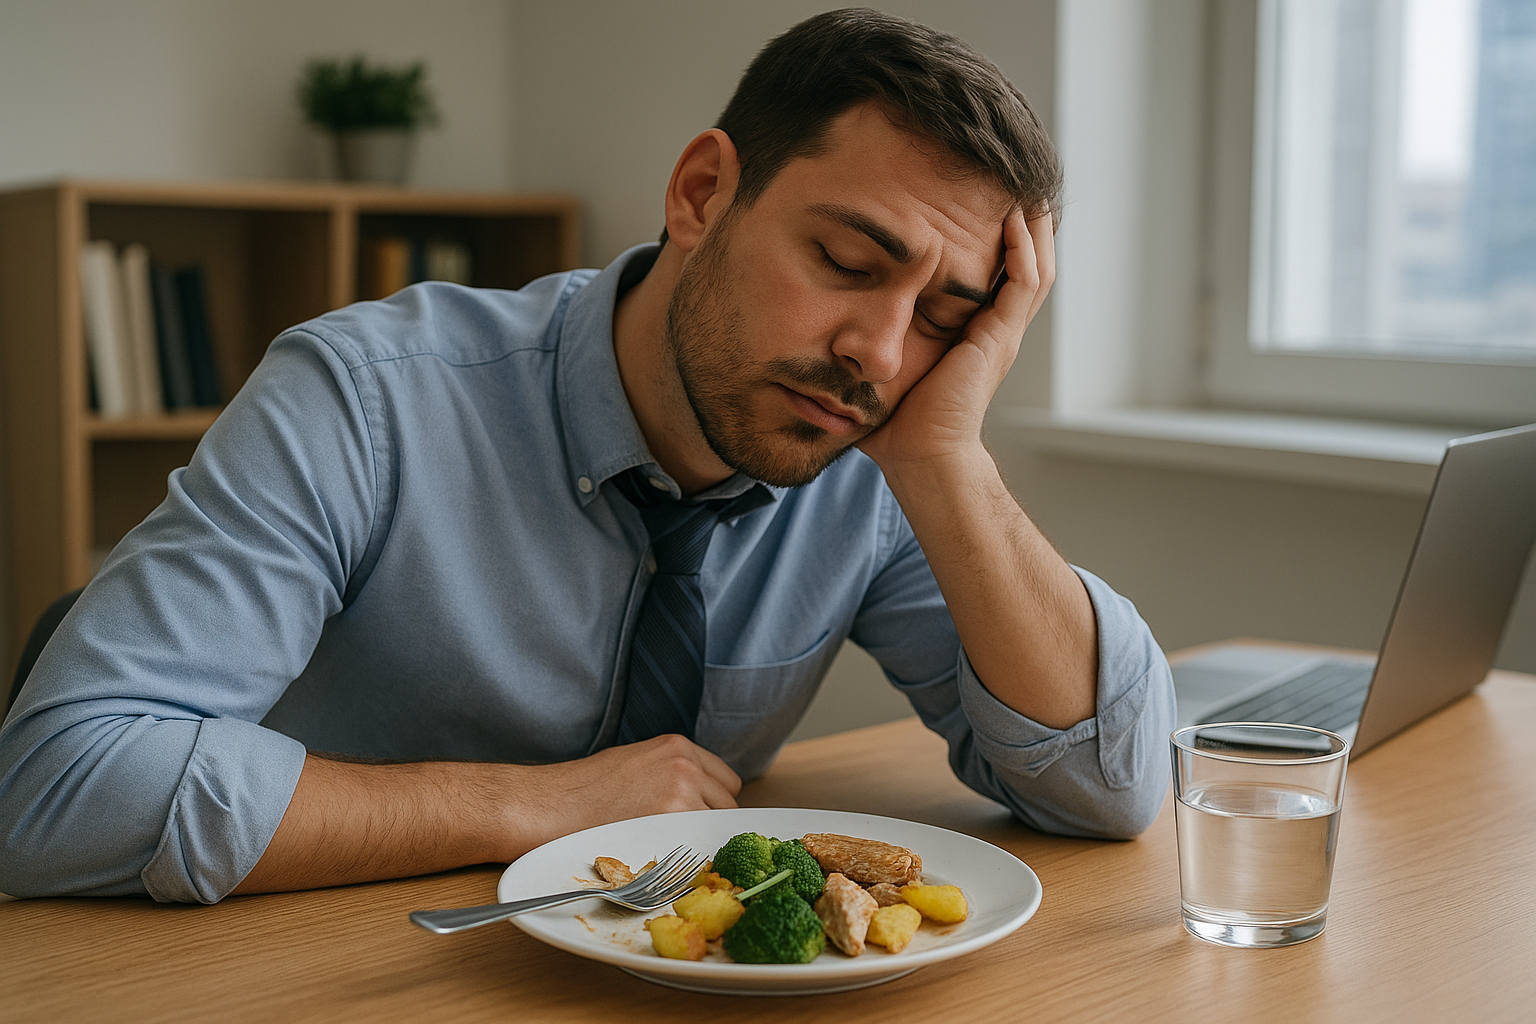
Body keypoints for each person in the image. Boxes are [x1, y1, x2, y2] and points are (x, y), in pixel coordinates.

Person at [0, 9, 1174, 903]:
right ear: (703, 192)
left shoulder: (875, 452)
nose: (876, 351)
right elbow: (57, 785)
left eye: (943, 315)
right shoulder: (365, 402)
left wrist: (951, 457)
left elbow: (1113, 787)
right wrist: (526, 805)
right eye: (851, 263)